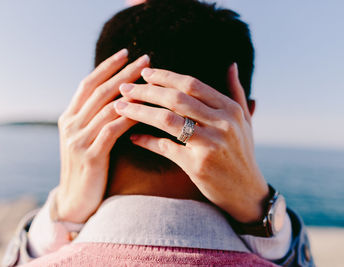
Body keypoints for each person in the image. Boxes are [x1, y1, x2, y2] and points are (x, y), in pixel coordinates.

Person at [2, 0, 314, 266]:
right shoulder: (280, 248)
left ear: (91, 108)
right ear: (243, 115)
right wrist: (262, 213)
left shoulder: (41, 252)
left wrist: (62, 214)